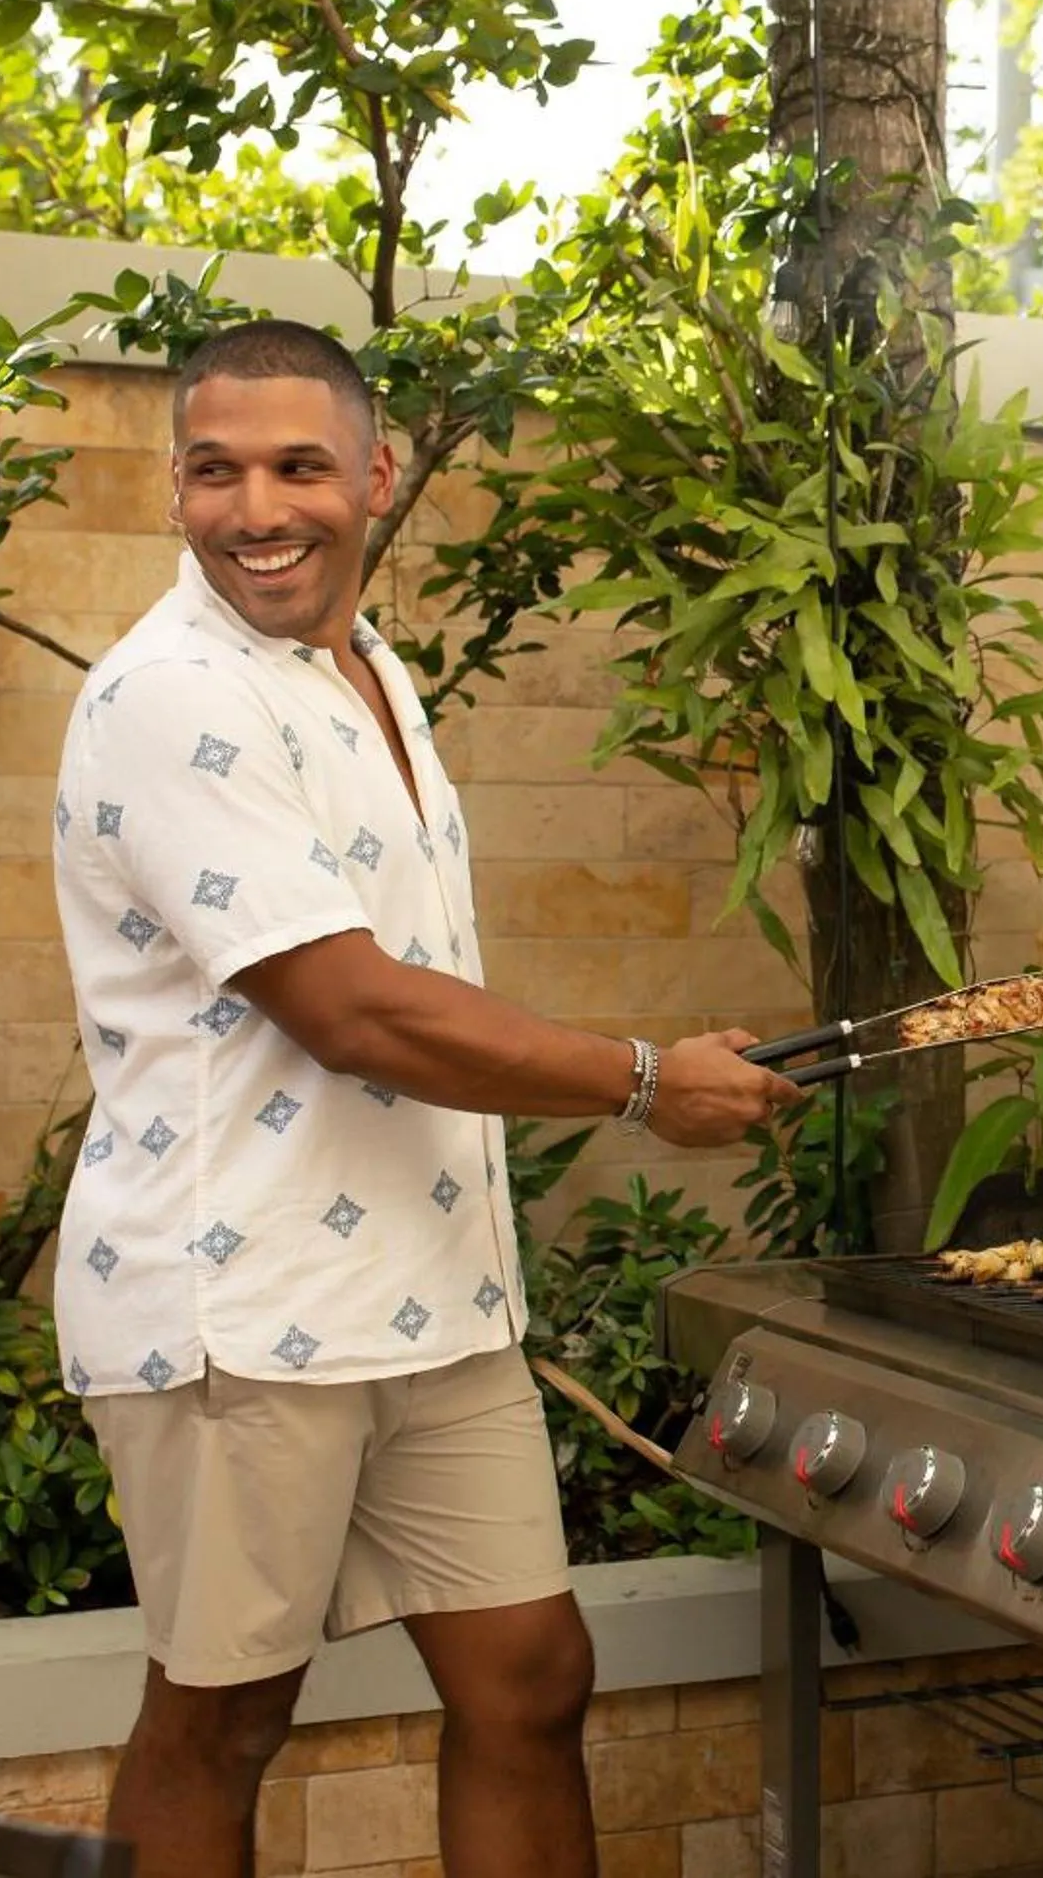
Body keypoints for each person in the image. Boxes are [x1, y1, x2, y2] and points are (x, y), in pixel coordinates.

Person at [47, 318, 802, 1878]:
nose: (258, 509)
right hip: (239, 1305)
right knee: (224, 1722)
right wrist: (645, 1082)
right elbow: (352, 1009)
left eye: (300, 467)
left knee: (530, 1680)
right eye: (215, 471)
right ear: (172, 490)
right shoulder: (174, 694)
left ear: (378, 476)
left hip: (431, 1293)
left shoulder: (362, 666)